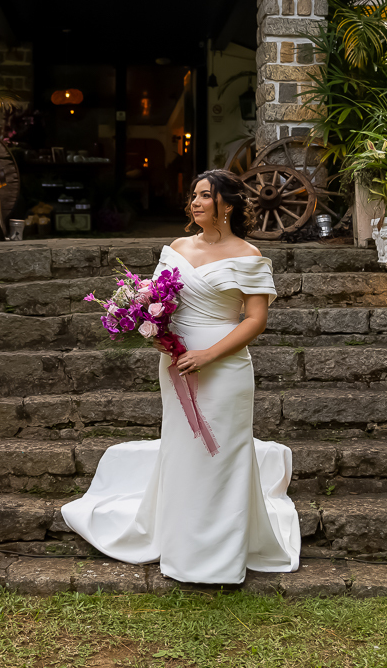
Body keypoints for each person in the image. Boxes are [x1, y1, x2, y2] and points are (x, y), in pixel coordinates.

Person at [61, 169, 301, 584]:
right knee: (183, 449)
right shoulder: (175, 248)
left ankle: (221, 558)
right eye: (194, 195)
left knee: (222, 454)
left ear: (227, 204)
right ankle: (181, 543)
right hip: (175, 362)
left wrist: (209, 353)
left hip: (224, 367)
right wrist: (152, 329)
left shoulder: (248, 256)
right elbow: (156, 299)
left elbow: (256, 319)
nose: (195, 202)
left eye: (206, 196)